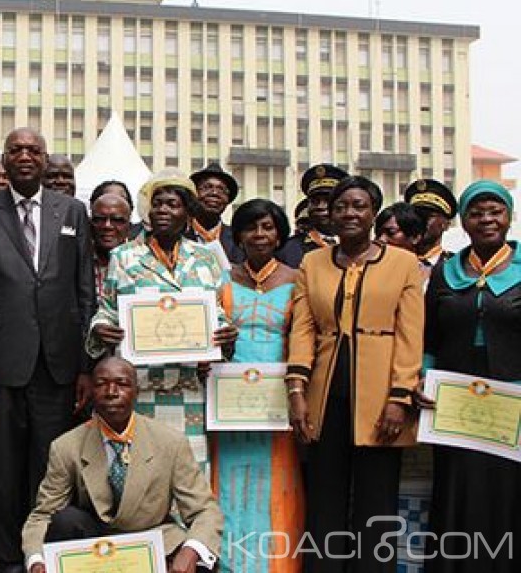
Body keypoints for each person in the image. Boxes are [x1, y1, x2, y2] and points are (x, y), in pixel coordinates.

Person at [0, 128, 96, 573]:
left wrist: (85, 368)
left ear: (45, 159)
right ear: (4, 159)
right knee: (2, 467)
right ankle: (9, 556)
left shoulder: (73, 211)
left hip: (58, 363)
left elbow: (84, 294)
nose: (25, 156)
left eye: (33, 150)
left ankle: (46, 553)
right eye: (16, 150)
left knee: (51, 465)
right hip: (1, 363)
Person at [286, 176, 423, 573]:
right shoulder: (312, 262)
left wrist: (400, 398)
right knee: (324, 499)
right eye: (341, 205)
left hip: (381, 400)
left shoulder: (403, 263)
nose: (349, 213)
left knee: (375, 502)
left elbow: (410, 335)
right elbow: (303, 329)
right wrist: (296, 391)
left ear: (374, 213)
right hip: (324, 397)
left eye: (359, 205)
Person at [87, 169, 237, 481]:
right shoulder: (124, 257)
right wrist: (100, 330)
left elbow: (217, 315)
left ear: (189, 212)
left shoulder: (207, 260)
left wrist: (226, 336)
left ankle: (189, 533)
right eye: (157, 204)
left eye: (172, 204)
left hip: (188, 387)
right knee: (137, 477)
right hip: (139, 388)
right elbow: (107, 310)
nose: (163, 211)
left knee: (187, 475)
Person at [22, 357, 224, 573]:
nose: (111, 391)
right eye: (101, 384)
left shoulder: (170, 442)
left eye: (122, 384)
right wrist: (36, 560)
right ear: (91, 390)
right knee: (65, 520)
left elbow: (204, 510)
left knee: (200, 560)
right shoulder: (66, 446)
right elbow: (42, 514)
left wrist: (190, 552)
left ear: (136, 391)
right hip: (96, 546)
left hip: (156, 540)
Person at [422, 180, 519, 573]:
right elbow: (430, 334)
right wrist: (424, 380)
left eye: (495, 211)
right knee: (457, 486)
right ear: (463, 220)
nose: (486, 220)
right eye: (476, 213)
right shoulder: (447, 272)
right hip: (455, 399)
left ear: (509, 217)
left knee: (507, 490)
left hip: (512, 400)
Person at [211, 199, 304, 573]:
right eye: (250, 227)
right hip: (229, 400)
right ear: (240, 234)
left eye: (267, 227)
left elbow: (303, 338)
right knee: (229, 481)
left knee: (277, 480)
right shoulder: (223, 278)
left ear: (279, 233)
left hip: (276, 398)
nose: (259, 235)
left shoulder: (298, 280)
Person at [278, 163, 348, 268]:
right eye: (315, 201)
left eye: (328, 200)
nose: (320, 206)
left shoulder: (358, 246)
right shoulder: (288, 250)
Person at [189, 162, 244, 264]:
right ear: (193, 196)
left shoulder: (239, 239)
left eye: (221, 190)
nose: (214, 193)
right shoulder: (178, 236)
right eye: (207, 187)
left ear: (227, 201)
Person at [404, 178, 457, 282]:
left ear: (445, 224)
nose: (420, 221)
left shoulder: (456, 267)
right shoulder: (396, 261)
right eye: (417, 215)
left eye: (428, 216)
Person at [89, 193, 132, 297]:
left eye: (117, 220)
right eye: (99, 219)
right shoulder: (77, 260)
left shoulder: (144, 262)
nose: (107, 226)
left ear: (129, 226)